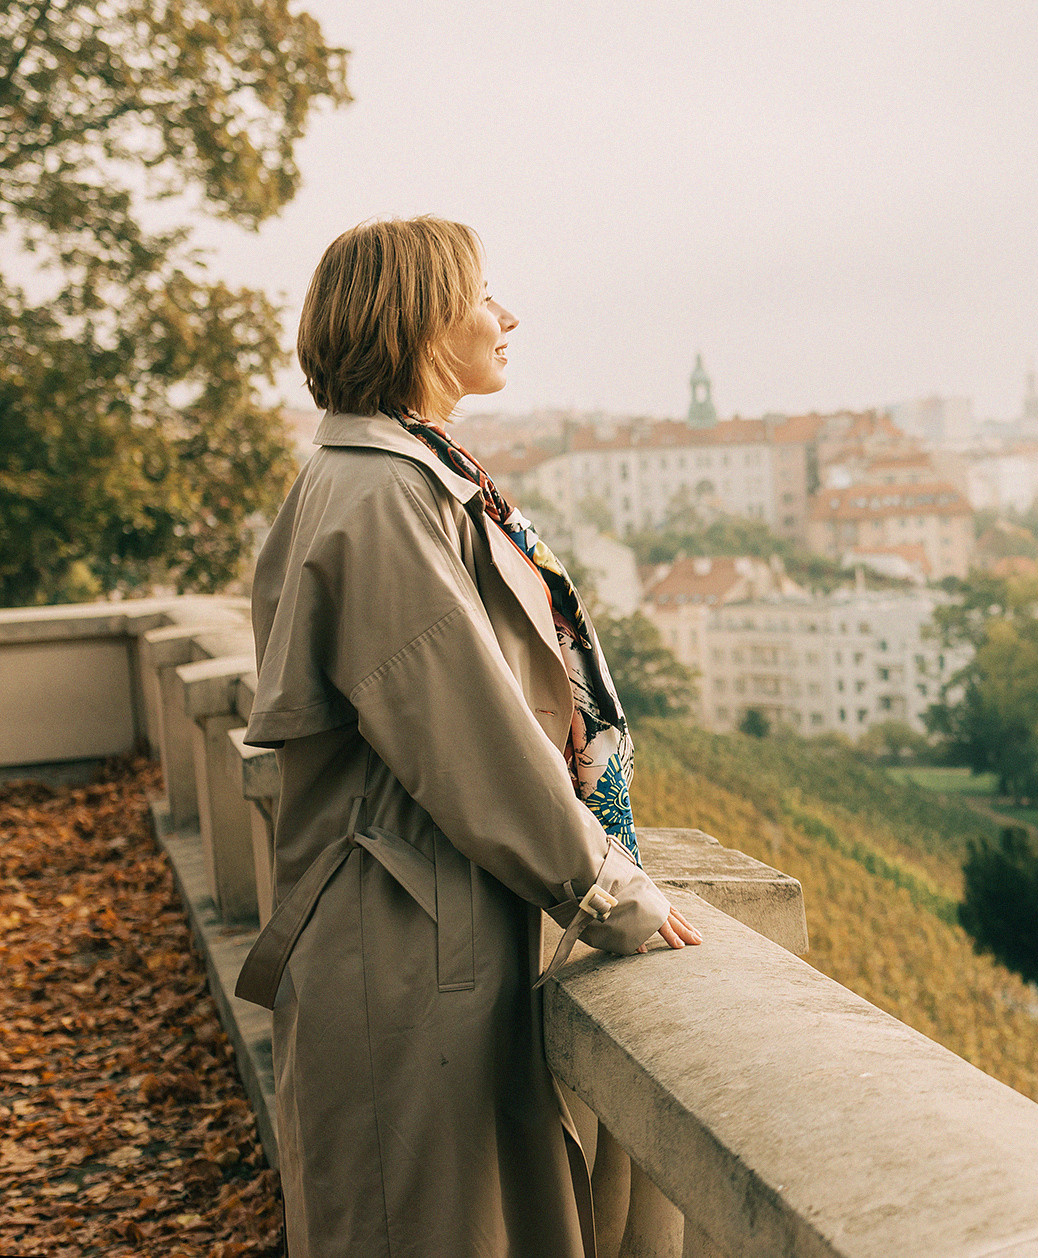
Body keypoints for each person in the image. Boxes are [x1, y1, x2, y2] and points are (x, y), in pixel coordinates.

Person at [233, 216, 700, 1257]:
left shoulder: (398, 473)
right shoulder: (383, 491)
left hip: (418, 927)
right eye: (483, 293)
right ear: (416, 320)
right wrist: (608, 888)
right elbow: (465, 730)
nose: (507, 314)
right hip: (401, 947)